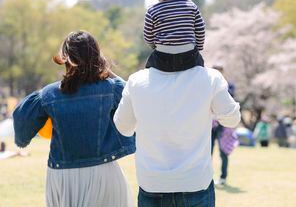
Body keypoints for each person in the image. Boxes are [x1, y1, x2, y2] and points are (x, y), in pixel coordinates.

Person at [13, 31, 135, 207]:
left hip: (62, 174)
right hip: (103, 171)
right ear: (97, 56)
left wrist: (22, 139)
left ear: (65, 58)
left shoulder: (48, 94)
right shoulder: (111, 88)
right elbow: (132, 96)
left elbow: (20, 125)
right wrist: (108, 72)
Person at [114, 64, 241, 206]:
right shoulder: (211, 78)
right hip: (195, 181)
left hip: (153, 183)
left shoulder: (136, 80)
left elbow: (124, 127)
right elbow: (232, 119)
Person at [144, 0, 205, 72]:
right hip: (189, 55)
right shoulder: (190, 5)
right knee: (200, 64)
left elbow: (148, 36)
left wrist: (155, 46)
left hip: (163, 57)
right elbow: (200, 30)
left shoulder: (152, 10)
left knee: (149, 67)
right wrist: (198, 48)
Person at [211, 65, 238, 186]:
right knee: (207, 152)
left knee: (223, 152)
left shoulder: (229, 85)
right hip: (209, 123)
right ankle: (208, 177)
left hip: (224, 124)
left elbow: (230, 99)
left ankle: (223, 177)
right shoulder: (208, 85)